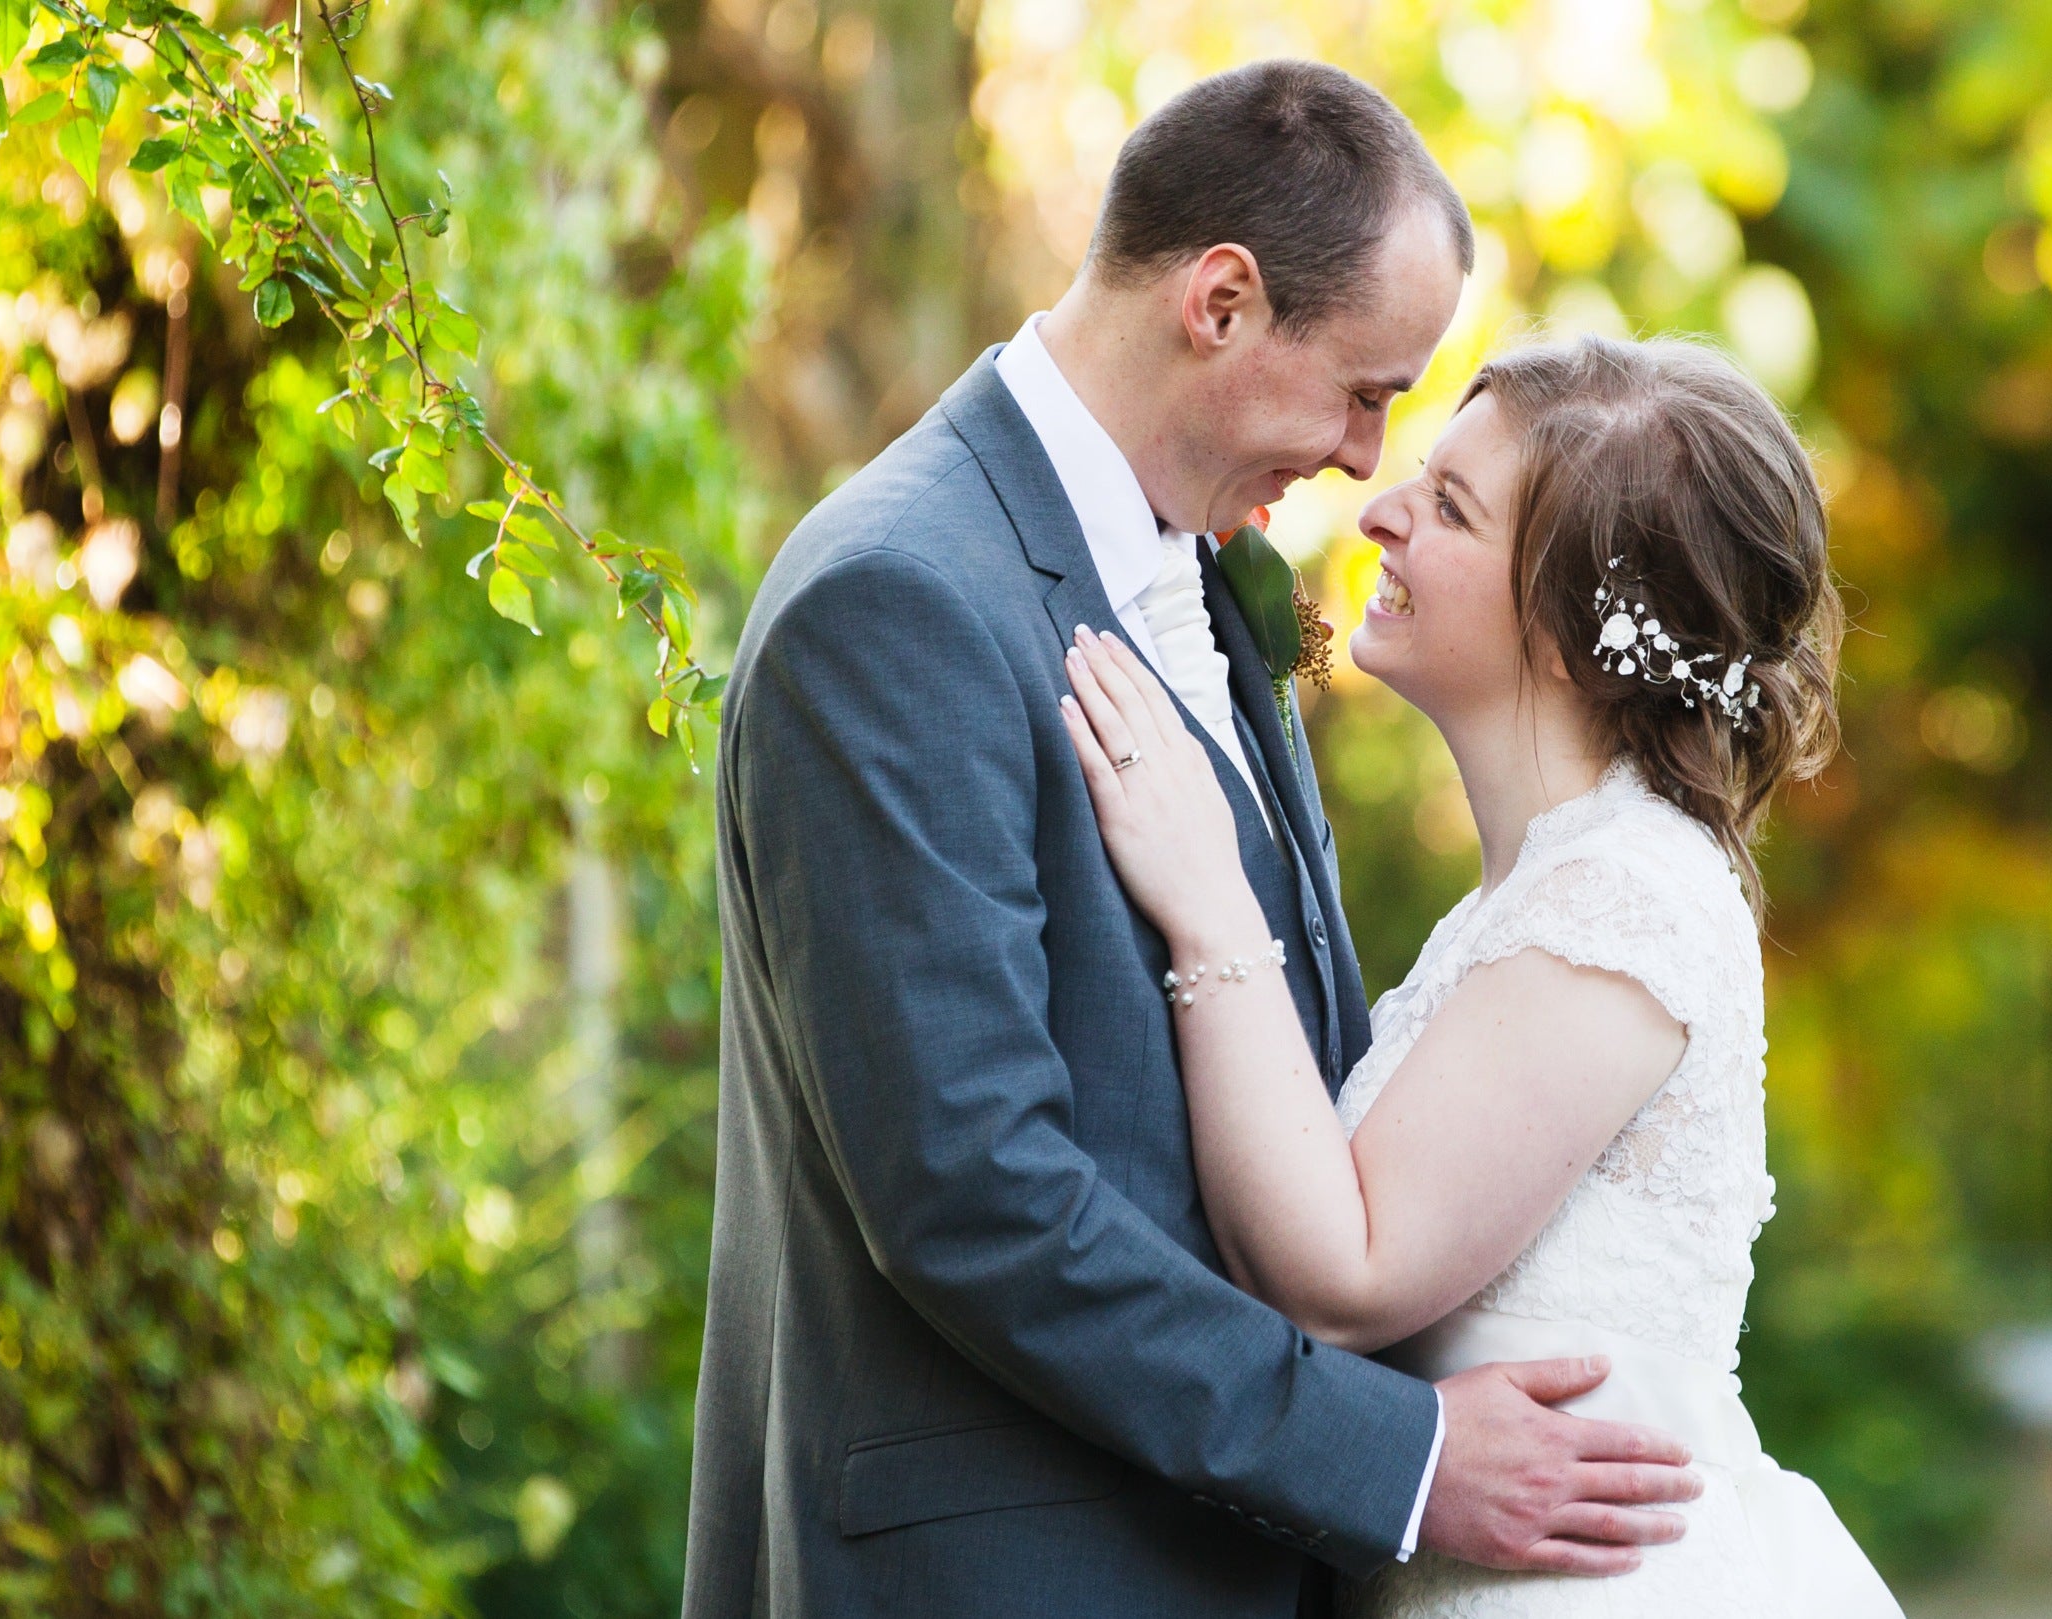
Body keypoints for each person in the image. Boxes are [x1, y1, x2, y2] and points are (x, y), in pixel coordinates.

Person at [689, 59, 1704, 1619]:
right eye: (1366, 390)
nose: (1372, 460)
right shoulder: (897, 601)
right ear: (1221, 303)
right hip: (1010, 1569)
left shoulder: (1210, 578)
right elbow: (973, 1193)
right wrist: (1405, 1454)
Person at [1052, 332, 1905, 1617]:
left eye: (1450, 505)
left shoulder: (1628, 899)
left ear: (1572, 637)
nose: (1383, 507)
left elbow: (1344, 1275)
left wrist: (1205, 892)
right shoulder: (1537, 893)